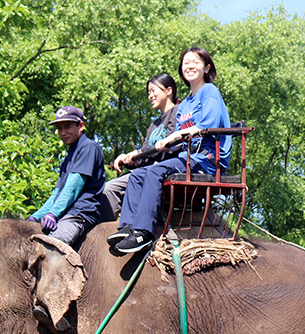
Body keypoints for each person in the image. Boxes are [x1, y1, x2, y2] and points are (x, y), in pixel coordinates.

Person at [109, 47, 231, 254]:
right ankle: (127, 227)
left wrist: (172, 137)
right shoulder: (186, 104)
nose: (190, 66)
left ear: (206, 68)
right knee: (138, 174)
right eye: (186, 63)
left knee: (156, 171)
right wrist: (161, 144)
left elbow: (208, 124)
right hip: (187, 158)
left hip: (206, 160)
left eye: (195, 62)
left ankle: (143, 232)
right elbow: (179, 138)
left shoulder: (209, 91)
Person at [28, 106, 112, 247]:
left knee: (51, 247)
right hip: (66, 213)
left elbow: (73, 188)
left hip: (80, 213)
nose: (63, 132)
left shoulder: (88, 148)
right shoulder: (68, 158)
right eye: (60, 128)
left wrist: (53, 214)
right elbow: (56, 194)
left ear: (81, 126)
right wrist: (35, 217)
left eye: (67, 126)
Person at [102, 74, 180, 220]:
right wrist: (130, 159)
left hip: (162, 169)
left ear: (169, 91)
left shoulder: (177, 112)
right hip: (146, 169)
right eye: (148, 92)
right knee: (107, 188)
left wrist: (139, 153)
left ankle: (117, 227)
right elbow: (145, 153)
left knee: (110, 189)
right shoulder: (154, 124)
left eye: (153, 90)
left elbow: (170, 148)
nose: (150, 96)